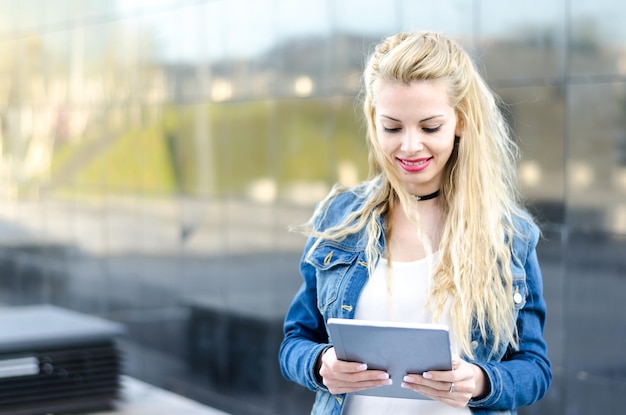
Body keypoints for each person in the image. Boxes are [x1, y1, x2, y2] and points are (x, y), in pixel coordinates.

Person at [278, 31, 551, 415]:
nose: (409, 146)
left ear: (460, 121)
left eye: (429, 127)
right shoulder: (339, 216)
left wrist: (481, 382)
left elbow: (535, 368)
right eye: (392, 127)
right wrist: (319, 365)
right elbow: (295, 341)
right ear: (374, 122)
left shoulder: (509, 234)